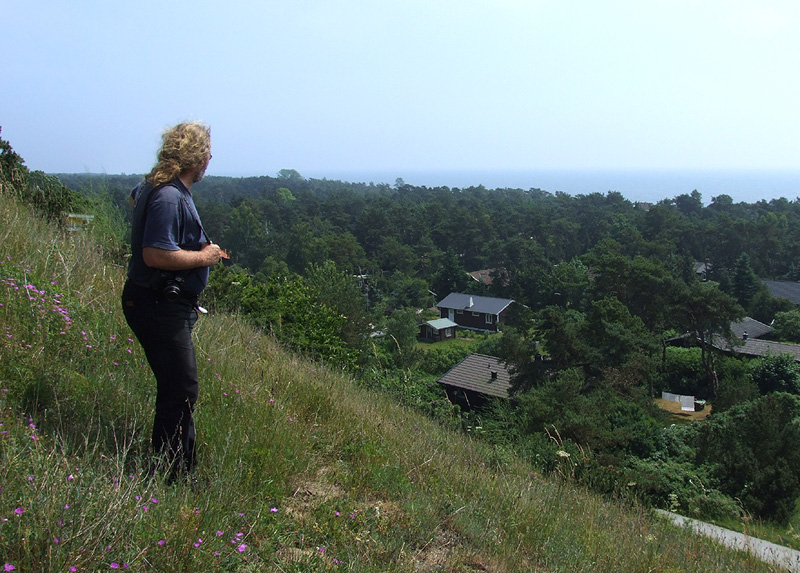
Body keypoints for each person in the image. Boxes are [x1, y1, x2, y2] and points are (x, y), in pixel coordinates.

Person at [121, 121, 222, 483]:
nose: (211, 157)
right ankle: (169, 475)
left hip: (158, 302)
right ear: (197, 157)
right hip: (157, 304)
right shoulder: (167, 195)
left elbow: (136, 196)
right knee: (181, 388)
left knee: (178, 386)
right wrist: (204, 257)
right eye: (208, 150)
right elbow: (153, 254)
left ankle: (179, 471)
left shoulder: (156, 186)